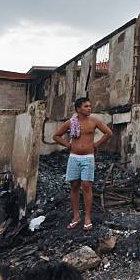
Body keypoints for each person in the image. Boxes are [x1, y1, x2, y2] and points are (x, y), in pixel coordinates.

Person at [53, 97, 112, 231]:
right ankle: (76, 216)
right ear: (78, 109)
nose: (89, 108)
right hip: (74, 157)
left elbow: (108, 133)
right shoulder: (71, 122)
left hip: (88, 158)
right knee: (74, 185)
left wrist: (96, 144)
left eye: (90, 106)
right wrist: (67, 145)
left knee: (86, 186)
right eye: (86, 106)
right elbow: (56, 136)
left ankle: (87, 217)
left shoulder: (94, 121)